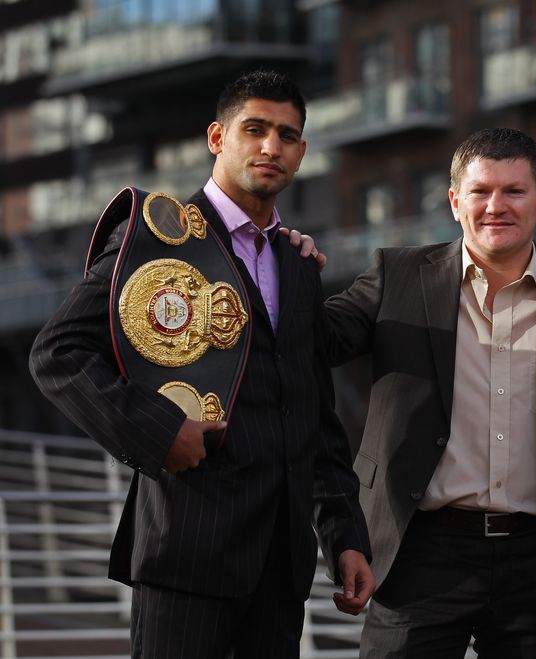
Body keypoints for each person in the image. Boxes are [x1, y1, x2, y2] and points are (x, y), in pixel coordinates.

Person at [29, 70, 374, 659]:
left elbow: (312, 415)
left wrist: (344, 534)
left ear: (302, 152)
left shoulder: (297, 264)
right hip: (187, 554)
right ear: (217, 138)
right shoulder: (159, 237)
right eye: (255, 130)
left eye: (287, 136)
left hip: (280, 571)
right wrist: (160, 433)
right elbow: (56, 353)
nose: (271, 147)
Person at [308, 127, 536, 657]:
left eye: (514, 192)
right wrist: (284, 271)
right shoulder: (395, 276)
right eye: (480, 191)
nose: (497, 206)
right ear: (454, 201)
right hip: (418, 550)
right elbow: (316, 342)